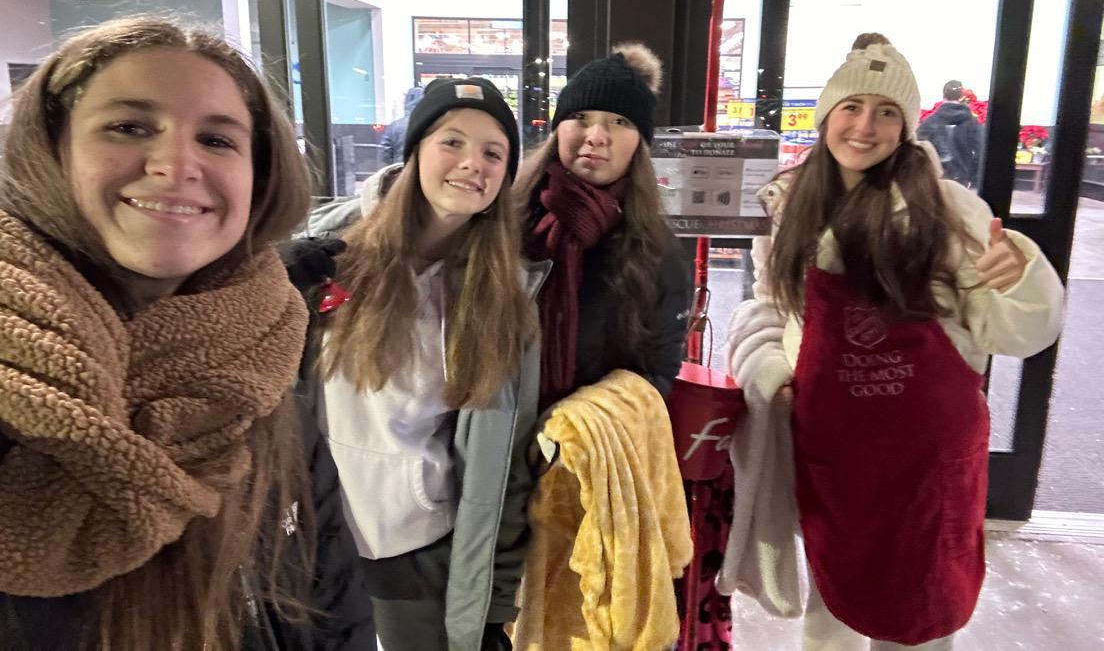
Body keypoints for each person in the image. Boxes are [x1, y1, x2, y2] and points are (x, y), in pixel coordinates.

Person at [0, 17, 374, 650]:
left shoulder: (262, 364)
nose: (175, 164)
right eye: (129, 127)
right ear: (49, 149)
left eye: (217, 140)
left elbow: (331, 601)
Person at [723, 35, 1064, 650]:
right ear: (827, 115)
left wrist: (1021, 278)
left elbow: (1018, 332)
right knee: (834, 596)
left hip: (925, 457)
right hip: (831, 446)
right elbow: (775, 303)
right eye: (852, 107)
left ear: (905, 127)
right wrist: (772, 365)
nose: (864, 127)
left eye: (885, 113)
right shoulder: (791, 206)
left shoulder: (947, 210)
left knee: (920, 607)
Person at [283, 77, 542, 651]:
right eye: (452, 142)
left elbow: (507, 462)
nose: (472, 163)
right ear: (416, 151)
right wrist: (277, 283)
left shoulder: (503, 298)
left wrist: (495, 605)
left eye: (493, 153)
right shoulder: (330, 249)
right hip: (313, 535)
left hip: (420, 546)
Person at [514, 42, 692, 411]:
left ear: (639, 143)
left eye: (620, 121)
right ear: (558, 130)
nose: (596, 135)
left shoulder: (657, 250)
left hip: (593, 440)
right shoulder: (508, 221)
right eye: (581, 116)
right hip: (498, 433)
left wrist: (588, 425)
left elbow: (658, 369)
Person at [917, 79, 984, 188]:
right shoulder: (972, 123)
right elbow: (982, 150)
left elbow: (916, 150)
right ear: (961, 97)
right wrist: (972, 176)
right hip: (963, 182)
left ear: (944, 96)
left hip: (936, 183)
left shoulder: (930, 122)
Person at [379, 85, 424, 164]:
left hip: (400, 168)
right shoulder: (430, 124)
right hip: (423, 168)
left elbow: (385, 153)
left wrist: (395, 163)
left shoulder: (394, 126)